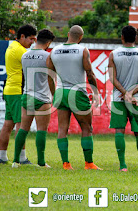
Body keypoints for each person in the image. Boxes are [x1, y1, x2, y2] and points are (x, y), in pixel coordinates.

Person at [47, 25, 101, 170]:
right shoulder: (82, 50)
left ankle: (66, 164)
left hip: (60, 92)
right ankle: (88, 163)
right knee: (86, 128)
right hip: (77, 92)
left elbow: (49, 75)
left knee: (62, 129)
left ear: (68, 34)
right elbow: (89, 72)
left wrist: (54, 94)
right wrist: (95, 92)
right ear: (81, 37)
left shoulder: (55, 50)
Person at [108, 25, 138, 172]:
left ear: (122, 37)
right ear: (136, 38)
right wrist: (132, 93)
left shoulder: (114, 54)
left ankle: (122, 166)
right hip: (137, 99)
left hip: (118, 98)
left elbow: (112, 78)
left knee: (119, 131)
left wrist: (124, 92)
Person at [12, 29, 55, 168]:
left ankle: (15, 161)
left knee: (23, 129)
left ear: (36, 39)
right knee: (42, 130)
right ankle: (41, 163)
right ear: (48, 42)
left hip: (27, 95)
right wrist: (54, 94)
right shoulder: (47, 56)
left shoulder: (25, 55)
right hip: (42, 97)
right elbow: (50, 78)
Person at [0, 24, 37, 164]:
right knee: (21, 125)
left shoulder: (12, 47)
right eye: (31, 39)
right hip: (17, 91)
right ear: (22, 36)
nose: (32, 42)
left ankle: (2, 157)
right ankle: (21, 158)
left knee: (8, 124)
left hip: (8, 90)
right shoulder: (21, 51)